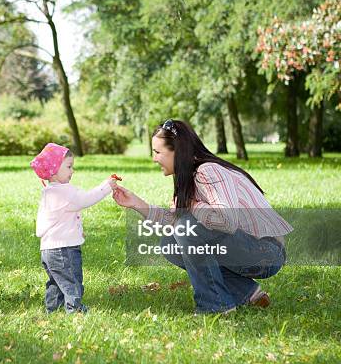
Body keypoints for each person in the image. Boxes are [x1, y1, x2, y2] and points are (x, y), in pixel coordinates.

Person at [112, 120, 292, 314]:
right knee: (169, 243)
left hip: (267, 252)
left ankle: (215, 306)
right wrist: (137, 203)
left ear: (177, 152)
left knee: (186, 227)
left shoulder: (208, 171)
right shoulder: (189, 177)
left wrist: (192, 205)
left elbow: (227, 221)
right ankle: (246, 292)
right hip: (247, 249)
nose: (154, 159)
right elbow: (175, 223)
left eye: (157, 152)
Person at [30, 143, 117, 313]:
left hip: (49, 250)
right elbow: (86, 199)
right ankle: (75, 310)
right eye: (69, 166)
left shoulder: (50, 192)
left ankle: (53, 309)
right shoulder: (64, 192)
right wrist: (107, 186)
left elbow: (61, 219)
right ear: (54, 170)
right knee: (72, 281)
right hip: (64, 250)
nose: (72, 171)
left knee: (56, 281)